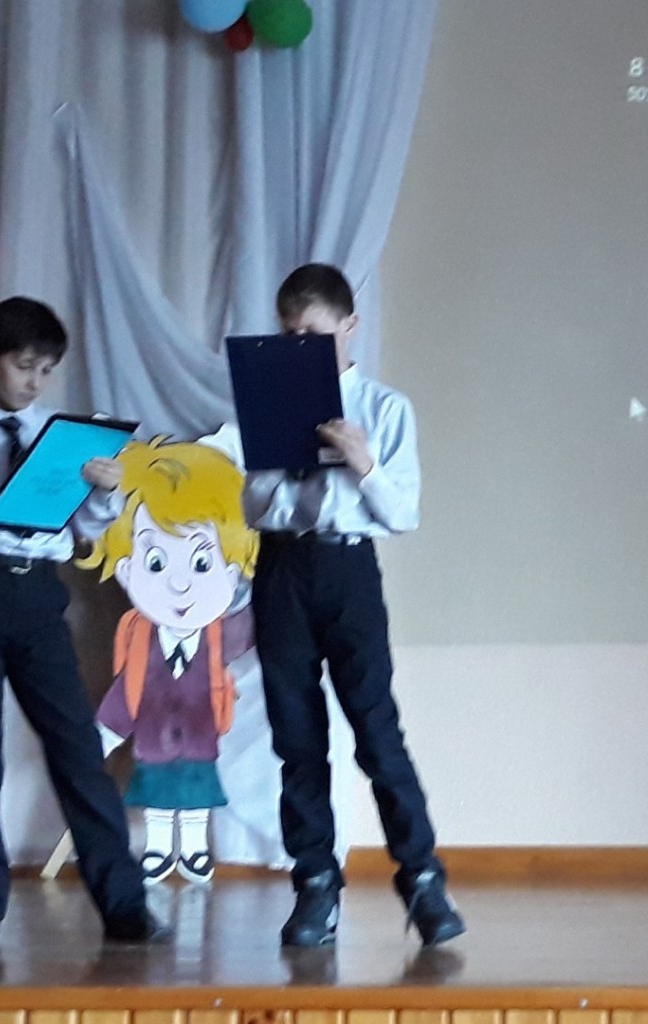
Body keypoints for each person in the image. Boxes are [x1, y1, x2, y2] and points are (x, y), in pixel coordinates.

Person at [0, 296, 166, 948]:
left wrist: (103, 491)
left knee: (77, 748)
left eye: (46, 370)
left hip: (41, 594)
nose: (34, 382)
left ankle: (125, 906)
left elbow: (82, 531)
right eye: (23, 366)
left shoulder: (62, 437)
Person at [243, 263, 465, 948]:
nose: (300, 346)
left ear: (348, 327)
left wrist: (362, 462)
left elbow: (404, 513)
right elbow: (253, 505)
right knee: (296, 738)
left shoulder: (385, 409)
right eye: (288, 334)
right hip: (282, 567)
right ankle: (315, 883)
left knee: (376, 731)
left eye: (313, 333)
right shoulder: (272, 400)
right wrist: (290, 470)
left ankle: (421, 879)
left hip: (348, 571)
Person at [83, 436, 258, 886]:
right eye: (157, 562)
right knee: (158, 801)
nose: (180, 585)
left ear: (231, 569)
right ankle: (160, 848)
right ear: (127, 568)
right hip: (153, 746)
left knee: (197, 800)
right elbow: (125, 693)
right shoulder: (140, 643)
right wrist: (102, 738)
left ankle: (195, 849)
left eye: (201, 563)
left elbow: (250, 630)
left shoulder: (220, 637)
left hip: (200, 743)